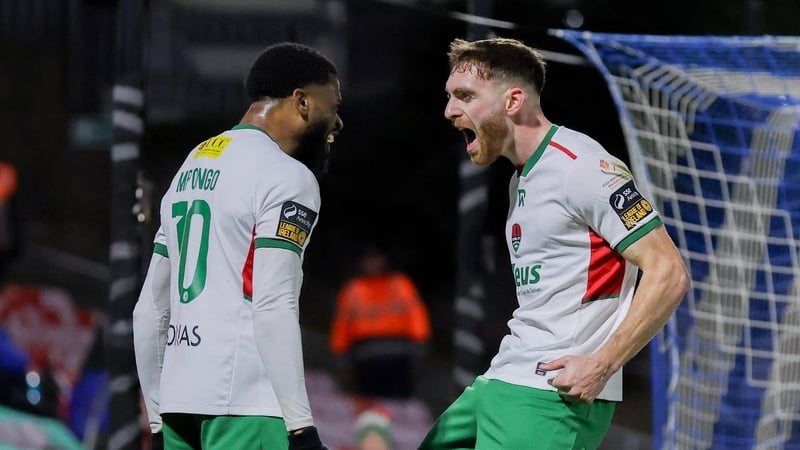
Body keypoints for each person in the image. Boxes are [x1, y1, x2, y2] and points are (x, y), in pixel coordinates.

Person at [419, 37, 691, 449]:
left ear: (513, 101)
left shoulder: (583, 166)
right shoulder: (521, 177)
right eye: (450, 96)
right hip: (505, 375)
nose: (449, 110)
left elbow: (668, 272)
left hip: (551, 396)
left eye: (465, 96)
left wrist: (604, 363)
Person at [132, 42, 343, 450]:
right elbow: (271, 302)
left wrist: (157, 421)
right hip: (245, 404)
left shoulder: (191, 165)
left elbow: (149, 310)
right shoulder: (287, 177)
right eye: (332, 105)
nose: (337, 121)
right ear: (301, 101)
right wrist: (300, 426)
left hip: (179, 404)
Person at [330, 243, 431, 399]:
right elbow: (342, 324)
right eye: (368, 260)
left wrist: (420, 344)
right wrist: (340, 355)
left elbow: (416, 315)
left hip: (398, 355)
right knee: (369, 405)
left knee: (400, 403)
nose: (372, 264)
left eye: (375, 259)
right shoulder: (353, 289)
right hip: (365, 357)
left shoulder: (400, 284)